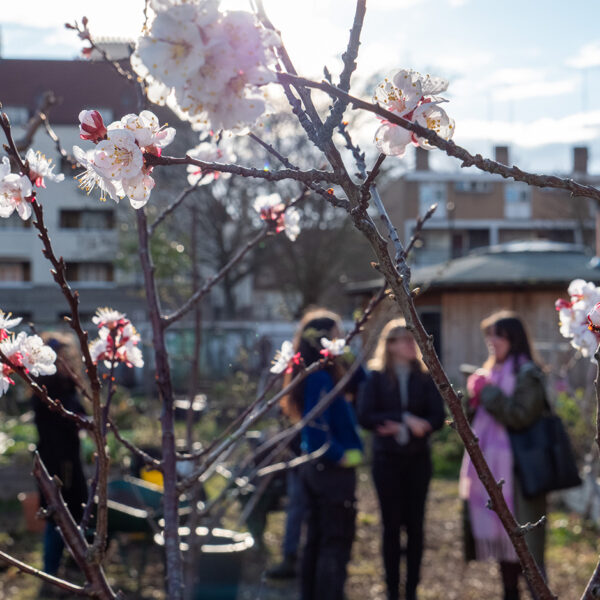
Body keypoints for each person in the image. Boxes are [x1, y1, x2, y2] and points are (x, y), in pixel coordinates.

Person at [458, 311, 547, 600]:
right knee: (504, 553)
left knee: (529, 556)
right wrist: (473, 397)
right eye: (489, 335)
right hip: (490, 470)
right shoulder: (489, 373)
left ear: (514, 339)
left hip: (519, 474)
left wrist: (487, 393)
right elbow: (475, 421)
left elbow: (520, 416)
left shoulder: (528, 374)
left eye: (498, 335)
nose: (491, 341)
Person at [357, 318, 444, 600]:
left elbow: (438, 416)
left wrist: (424, 425)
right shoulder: (375, 377)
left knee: (416, 527)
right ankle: (392, 590)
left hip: (418, 460)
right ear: (391, 345)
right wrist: (403, 419)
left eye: (412, 339)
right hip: (387, 462)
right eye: (406, 340)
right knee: (391, 527)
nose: (411, 345)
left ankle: (412, 591)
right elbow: (365, 416)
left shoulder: (425, 376)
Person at [281, 308, 363, 600]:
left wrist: (347, 356)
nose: (343, 340)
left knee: (317, 539)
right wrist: (342, 456)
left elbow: (362, 380)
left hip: (318, 470)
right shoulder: (319, 378)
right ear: (324, 340)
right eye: (338, 335)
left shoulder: (322, 373)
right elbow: (315, 432)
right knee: (334, 542)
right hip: (329, 472)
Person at [32, 332, 88, 578]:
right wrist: (82, 421)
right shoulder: (48, 389)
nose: (66, 362)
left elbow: (77, 414)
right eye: (61, 358)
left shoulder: (66, 386)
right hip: (57, 461)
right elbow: (66, 419)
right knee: (58, 514)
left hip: (67, 458)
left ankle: (67, 567)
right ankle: (52, 571)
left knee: (69, 513)